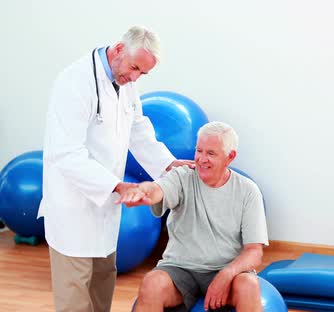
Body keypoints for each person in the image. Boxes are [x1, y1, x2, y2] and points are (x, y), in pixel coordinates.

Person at [39, 26, 194, 312]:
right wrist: (117, 185)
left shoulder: (127, 82)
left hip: (105, 209)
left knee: (102, 285)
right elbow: (66, 153)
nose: (135, 78)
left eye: (142, 74)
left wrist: (167, 163)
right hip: (73, 207)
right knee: (75, 296)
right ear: (120, 49)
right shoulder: (75, 81)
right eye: (135, 68)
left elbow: (138, 129)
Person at [117, 121, 268, 312]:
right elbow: (158, 189)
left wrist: (226, 274)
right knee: (152, 283)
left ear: (230, 157)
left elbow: (254, 251)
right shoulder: (182, 176)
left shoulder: (248, 191)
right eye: (199, 151)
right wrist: (143, 190)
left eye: (211, 153)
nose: (201, 159)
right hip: (180, 268)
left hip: (225, 267)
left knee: (248, 285)